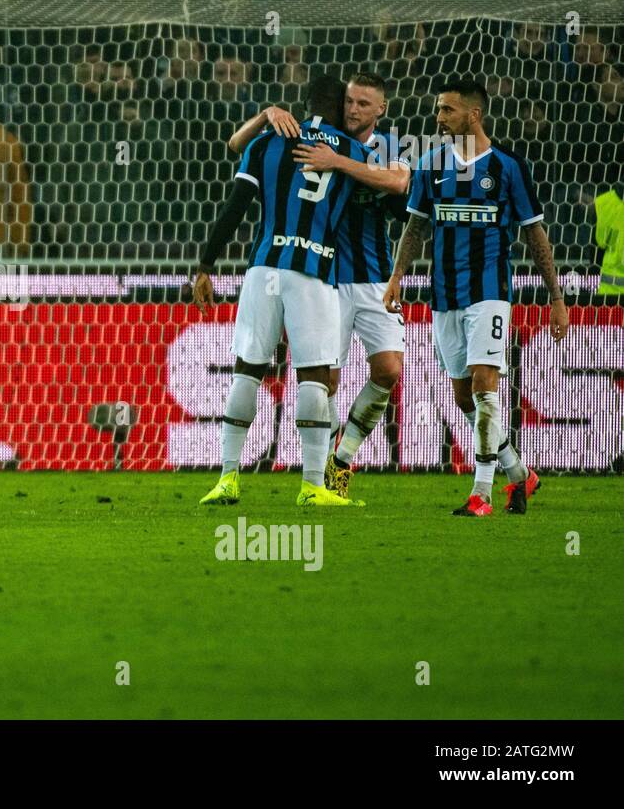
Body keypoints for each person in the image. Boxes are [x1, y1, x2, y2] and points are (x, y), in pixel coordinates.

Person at [385, 80, 568, 516]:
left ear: (473, 115)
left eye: (447, 110)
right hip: (444, 294)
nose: (438, 118)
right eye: (437, 109)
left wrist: (556, 297)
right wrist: (396, 276)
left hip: (489, 291)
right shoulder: (430, 165)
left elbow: (534, 234)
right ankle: (519, 473)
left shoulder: (507, 166)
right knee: (465, 397)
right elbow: (415, 228)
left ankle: (481, 494)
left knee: (487, 389)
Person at [193, 75, 368, 508]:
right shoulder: (352, 153)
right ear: (341, 106)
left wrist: (205, 265)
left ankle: (227, 479)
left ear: (303, 101)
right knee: (313, 374)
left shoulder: (268, 142)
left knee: (248, 368)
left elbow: (234, 207)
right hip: (313, 270)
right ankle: (312, 487)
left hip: (264, 268)